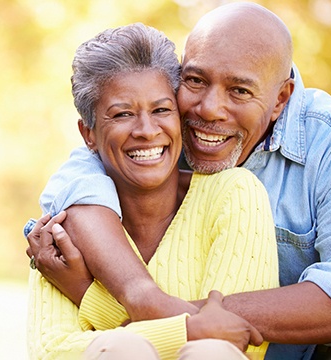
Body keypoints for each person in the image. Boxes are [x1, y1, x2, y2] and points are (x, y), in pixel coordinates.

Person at [25, 2, 331, 360]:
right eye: (195, 80)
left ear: (280, 100)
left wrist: (101, 296)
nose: (209, 109)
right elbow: (79, 176)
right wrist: (144, 300)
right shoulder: (159, 127)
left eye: (239, 90)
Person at [26, 22, 280, 359]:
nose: (147, 130)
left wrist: (88, 295)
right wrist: (189, 330)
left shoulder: (233, 194)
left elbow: (232, 343)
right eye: (123, 114)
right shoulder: (66, 223)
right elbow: (54, 351)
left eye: (161, 110)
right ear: (88, 133)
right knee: (121, 349)